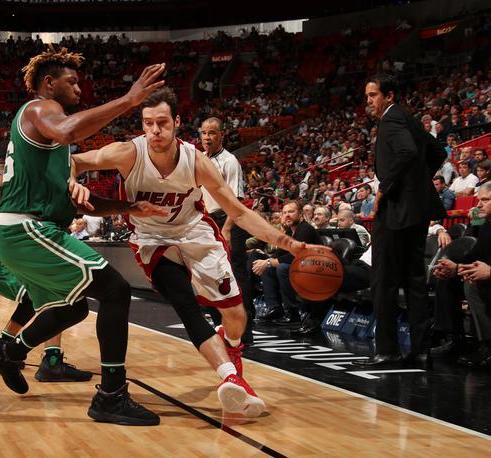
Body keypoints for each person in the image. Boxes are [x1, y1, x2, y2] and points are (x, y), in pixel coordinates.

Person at [73, 87, 322, 417]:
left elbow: (238, 211)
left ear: (177, 122)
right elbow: (73, 159)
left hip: (195, 233)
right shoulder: (127, 153)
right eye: (147, 123)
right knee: (184, 303)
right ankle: (231, 378)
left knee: (236, 316)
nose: (154, 131)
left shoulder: (197, 161)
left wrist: (288, 242)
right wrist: (71, 179)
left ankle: (230, 348)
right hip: (151, 239)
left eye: (162, 122)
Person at [0, 47, 166, 426]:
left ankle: (9, 352)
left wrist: (129, 208)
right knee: (116, 290)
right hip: (25, 228)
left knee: (74, 307)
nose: (79, 88)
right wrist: (130, 100)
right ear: (48, 84)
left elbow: (81, 205)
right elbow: (69, 127)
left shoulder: (56, 147)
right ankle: (111, 397)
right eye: (72, 81)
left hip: (26, 230)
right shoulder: (39, 109)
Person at [0, 149, 97, 384]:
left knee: (45, 290)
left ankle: (6, 343)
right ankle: (46, 361)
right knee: (53, 290)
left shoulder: (13, 184)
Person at [356, 74, 446, 368]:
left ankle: (388, 350)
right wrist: (418, 183)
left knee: (383, 282)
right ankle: (420, 352)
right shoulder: (407, 118)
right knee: (415, 281)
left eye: (372, 95)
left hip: (396, 211)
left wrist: (385, 188)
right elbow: (436, 152)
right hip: (417, 211)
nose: (368, 101)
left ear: (389, 95)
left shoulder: (391, 120)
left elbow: (407, 152)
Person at [198, 116, 254, 344]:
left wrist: (227, 229)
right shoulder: (200, 159)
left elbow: (236, 200)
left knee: (236, 276)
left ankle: (246, 332)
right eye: (203, 133)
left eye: (212, 133)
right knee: (211, 276)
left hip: (227, 221)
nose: (207, 138)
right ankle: (221, 325)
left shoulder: (230, 161)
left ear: (222, 135)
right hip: (207, 221)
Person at [433, 182, 491, 368]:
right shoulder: (487, 226)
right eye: (478, 200)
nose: (478, 205)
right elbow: (474, 256)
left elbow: (488, 268)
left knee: (473, 282)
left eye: (485, 200)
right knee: (447, 280)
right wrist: (455, 268)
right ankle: (455, 337)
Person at [250, 201, 321, 325]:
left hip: (313, 268)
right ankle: (275, 308)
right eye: (285, 212)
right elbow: (280, 252)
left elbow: (296, 255)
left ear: (301, 214)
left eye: (291, 212)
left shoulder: (305, 229)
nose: (287, 215)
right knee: (260, 260)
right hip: (299, 266)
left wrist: (269, 262)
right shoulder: (290, 231)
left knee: (281, 267)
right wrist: (266, 261)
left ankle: (292, 312)